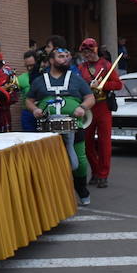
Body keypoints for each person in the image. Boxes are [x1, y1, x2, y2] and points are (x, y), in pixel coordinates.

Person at [27, 46, 96, 205]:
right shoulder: (39, 80)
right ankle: (52, 196)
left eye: (66, 56)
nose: (64, 59)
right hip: (47, 128)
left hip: (74, 126)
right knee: (49, 162)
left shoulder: (76, 79)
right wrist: (35, 109)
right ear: (51, 60)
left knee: (80, 161)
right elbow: (29, 100)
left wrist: (83, 108)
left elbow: (90, 98)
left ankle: (82, 191)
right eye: (60, 56)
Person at [77, 38, 123, 188]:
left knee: (104, 143)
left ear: (95, 50)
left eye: (89, 51)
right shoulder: (80, 68)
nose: (87, 55)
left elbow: (118, 84)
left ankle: (103, 175)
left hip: (103, 106)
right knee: (87, 143)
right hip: (88, 108)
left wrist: (103, 85)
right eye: (84, 52)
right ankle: (96, 171)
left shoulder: (106, 65)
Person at [16, 49, 40, 131]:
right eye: (27, 66)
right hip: (27, 114)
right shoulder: (21, 78)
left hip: (42, 111)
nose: (29, 68)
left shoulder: (44, 76)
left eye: (32, 65)